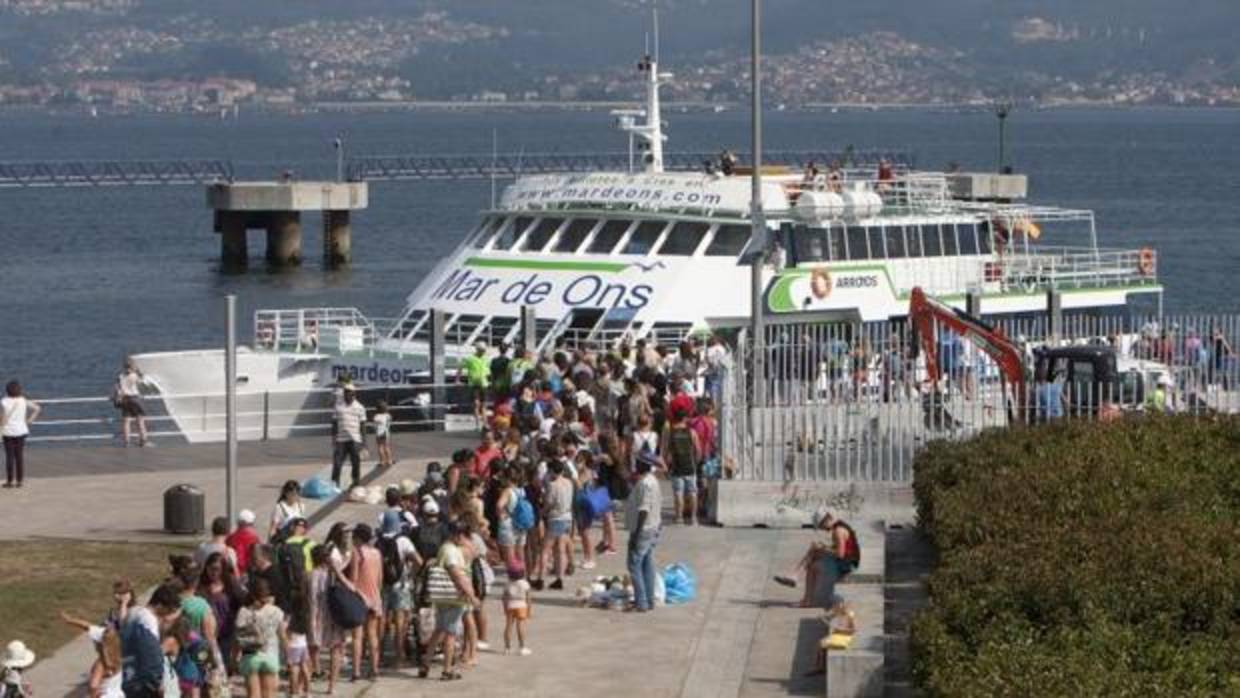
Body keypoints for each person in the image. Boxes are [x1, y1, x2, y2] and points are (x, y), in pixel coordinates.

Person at [420, 521, 481, 682]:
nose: (462, 538)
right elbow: (456, 574)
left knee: (439, 630)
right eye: (460, 535)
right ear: (455, 535)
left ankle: (425, 664)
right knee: (450, 634)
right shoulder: (451, 551)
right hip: (453, 597)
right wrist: (471, 595)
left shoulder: (444, 548)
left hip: (443, 596)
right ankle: (447, 670)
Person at [773, 509, 860, 609]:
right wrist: (823, 547)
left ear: (827, 518)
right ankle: (797, 581)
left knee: (814, 558)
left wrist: (823, 548)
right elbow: (840, 550)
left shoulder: (838, 531)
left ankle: (798, 581)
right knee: (814, 553)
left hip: (847, 566)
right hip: (846, 561)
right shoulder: (839, 526)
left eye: (821, 525)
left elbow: (840, 554)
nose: (822, 528)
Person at [120, 581, 183, 698]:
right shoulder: (148, 621)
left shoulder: (132, 613)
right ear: (159, 605)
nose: (166, 616)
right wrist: (157, 684)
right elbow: (151, 655)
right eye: (168, 610)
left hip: (129, 678)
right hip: (143, 685)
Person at [377, 511, 421, 668]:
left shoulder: (378, 540)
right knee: (400, 621)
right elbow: (418, 561)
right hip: (401, 585)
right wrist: (411, 574)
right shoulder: (403, 540)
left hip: (382, 586)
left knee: (381, 620)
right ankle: (399, 657)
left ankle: (378, 657)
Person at [234, 578, 287, 698]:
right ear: (268, 593)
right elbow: (282, 636)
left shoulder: (243, 612)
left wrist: (234, 658)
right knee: (268, 695)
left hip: (250, 656)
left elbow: (237, 638)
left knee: (253, 695)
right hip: (270, 655)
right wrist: (289, 656)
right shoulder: (276, 612)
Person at [626, 451, 662, 613]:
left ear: (644, 465)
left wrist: (636, 534)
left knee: (634, 565)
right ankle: (649, 599)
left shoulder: (646, 484)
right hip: (653, 527)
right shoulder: (652, 480)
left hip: (645, 528)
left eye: (638, 463)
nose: (635, 465)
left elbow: (644, 510)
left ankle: (642, 602)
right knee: (647, 564)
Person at [306, 545, 345, 694]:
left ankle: (307, 686)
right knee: (335, 650)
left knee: (311, 651)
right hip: (332, 616)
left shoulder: (308, 575)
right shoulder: (333, 575)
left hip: (313, 616)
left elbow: (303, 597)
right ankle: (331, 687)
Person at [347, 523, 383, 681]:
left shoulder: (357, 552)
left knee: (357, 637)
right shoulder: (377, 553)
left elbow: (354, 578)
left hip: (359, 597)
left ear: (358, 538)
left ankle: (356, 672)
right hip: (375, 597)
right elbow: (380, 578)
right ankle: (374, 669)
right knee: (373, 635)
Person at [662, 406, 702, 525]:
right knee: (693, 492)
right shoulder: (692, 432)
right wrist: (696, 462)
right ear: (685, 418)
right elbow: (698, 450)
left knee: (678, 493)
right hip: (690, 466)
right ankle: (693, 518)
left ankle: (679, 518)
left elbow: (665, 451)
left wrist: (665, 465)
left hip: (676, 467)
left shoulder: (670, 432)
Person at [539, 460, 574, 590]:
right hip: (567, 517)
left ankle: (541, 578)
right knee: (561, 550)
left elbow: (549, 503)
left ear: (553, 471)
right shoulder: (569, 483)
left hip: (555, 518)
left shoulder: (553, 485)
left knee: (545, 550)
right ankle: (560, 578)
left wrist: (541, 512)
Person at [1, 381, 39, 489]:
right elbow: (37, 408)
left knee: (9, 457)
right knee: (19, 456)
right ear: (19, 390)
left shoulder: (4, 401)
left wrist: (0, 429)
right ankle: (19, 481)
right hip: (21, 431)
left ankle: (9, 481)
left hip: (8, 432)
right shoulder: (22, 400)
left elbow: (3, 419)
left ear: (7, 390)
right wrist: (29, 420)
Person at [332, 387, 367, 489]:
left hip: (355, 439)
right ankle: (335, 483)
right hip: (341, 439)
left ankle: (355, 482)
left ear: (354, 394)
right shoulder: (338, 407)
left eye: (350, 394)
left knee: (356, 463)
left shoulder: (360, 407)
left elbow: (363, 425)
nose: (348, 396)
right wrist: (333, 438)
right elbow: (334, 423)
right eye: (346, 394)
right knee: (337, 463)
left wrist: (364, 443)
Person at [114, 359, 149, 447]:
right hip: (135, 399)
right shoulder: (134, 375)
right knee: (140, 420)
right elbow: (144, 381)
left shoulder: (120, 376)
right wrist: (138, 370)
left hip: (125, 399)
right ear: (132, 367)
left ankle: (127, 442)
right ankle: (143, 441)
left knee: (126, 421)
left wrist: (116, 397)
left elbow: (117, 388)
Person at [501, 562, 533, 656]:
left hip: (510, 605)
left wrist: (505, 608)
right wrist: (529, 610)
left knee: (508, 626)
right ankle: (522, 647)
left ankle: (507, 648)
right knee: (520, 626)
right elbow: (529, 598)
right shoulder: (525, 584)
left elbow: (504, 598)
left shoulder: (507, 584)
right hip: (522, 605)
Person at [459, 342, 491, 423]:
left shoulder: (486, 358)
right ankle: (477, 424)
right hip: (474, 384)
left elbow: (490, 371)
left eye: (483, 350)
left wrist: (491, 379)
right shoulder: (470, 358)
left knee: (484, 405)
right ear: (477, 349)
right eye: (481, 350)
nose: (483, 352)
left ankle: (485, 423)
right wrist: (457, 379)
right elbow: (460, 367)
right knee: (476, 404)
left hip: (484, 384)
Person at [225, 509, 260, 576]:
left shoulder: (230, 538)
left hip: (232, 572)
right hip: (247, 573)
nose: (253, 526)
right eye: (251, 524)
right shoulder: (254, 538)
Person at [372, 400, 394, 467]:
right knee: (387, 447)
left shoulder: (376, 416)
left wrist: (375, 431)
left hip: (379, 433)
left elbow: (374, 425)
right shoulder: (388, 416)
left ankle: (382, 461)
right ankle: (389, 460)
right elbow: (390, 420)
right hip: (386, 433)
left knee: (380, 447)